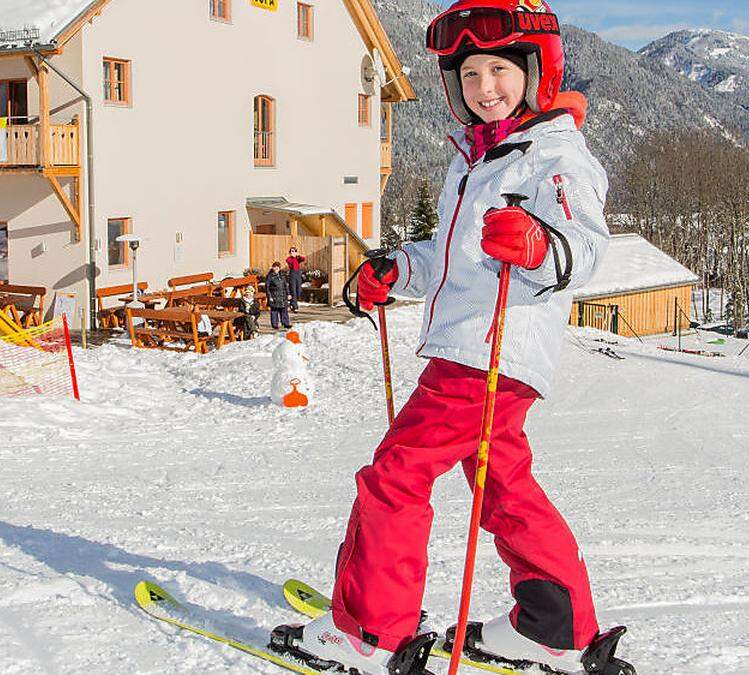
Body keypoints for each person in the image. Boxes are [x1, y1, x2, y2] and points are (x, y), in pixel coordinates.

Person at [271, 1, 632, 673]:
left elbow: (582, 245)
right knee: (504, 485)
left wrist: (538, 243)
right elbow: (451, 255)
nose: (484, 87)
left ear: (535, 71)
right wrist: (398, 268)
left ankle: (372, 631)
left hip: (488, 350)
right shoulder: (478, 159)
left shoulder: (552, 155)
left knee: (394, 476)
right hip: (480, 348)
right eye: (469, 76)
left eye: (499, 69)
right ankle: (554, 624)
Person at [265, 262, 291, 330]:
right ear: (272, 267)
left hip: (283, 295)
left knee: (284, 310)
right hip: (274, 295)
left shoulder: (282, 275)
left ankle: (286, 323)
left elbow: (286, 285)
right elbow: (267, 287)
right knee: (274, 311)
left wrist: (288, 294)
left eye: (278, 267)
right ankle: (275, 325)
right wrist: (269, 296)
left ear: (279, 268)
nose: (276, 268)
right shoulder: (270, 276)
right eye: (275, 267)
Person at [286, 247, 307, 311]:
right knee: (293, 291)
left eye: (294, 251)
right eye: (292, 251)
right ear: (290, 253)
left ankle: (292, 303)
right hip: (292, 274)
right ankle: (295, 307)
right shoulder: (289, 259)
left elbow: (303, 259)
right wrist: (293, 257)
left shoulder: (298, 258)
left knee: (299, 291)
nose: (293, 252)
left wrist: (298, 255)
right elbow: (291, 264)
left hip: (298, 274)